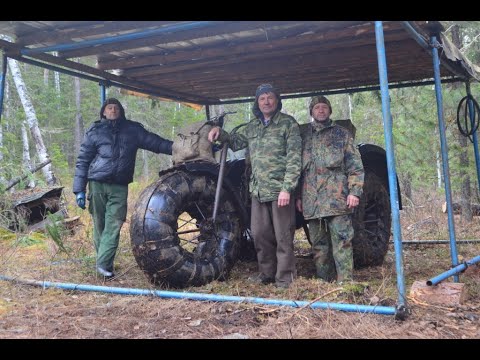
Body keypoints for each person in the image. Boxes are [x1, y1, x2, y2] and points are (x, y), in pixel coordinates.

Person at [208, 84, 302, 288]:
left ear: (276, 101)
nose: (266, 102)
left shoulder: (288, 124)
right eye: (262, 98)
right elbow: (234, 141)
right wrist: (218, 131)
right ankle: (267, 274)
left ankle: (285, 279)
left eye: (270, 98)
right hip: (258, 190)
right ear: (257, 102)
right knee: (260, 235)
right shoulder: (253, 126)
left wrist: (287, 188)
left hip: (280, 191)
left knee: (283, 237)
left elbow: (295, 159)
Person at [73, 98, 173, 279]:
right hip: (97, 183)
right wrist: (79, 189)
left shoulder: (132, 130)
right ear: (103, 112)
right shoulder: (94, 131)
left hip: (119, 186)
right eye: (109, 108)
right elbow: (83, 160)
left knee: (114, 224)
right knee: (100, 225)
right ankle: (105, 264)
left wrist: (179, 148)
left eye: (116, 108)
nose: (112, 111)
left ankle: (102, 264)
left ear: (121, 111)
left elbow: (155, 143)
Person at [296, 96, 364, 283]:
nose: (320, 110)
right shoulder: (303, 136)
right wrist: (298, 197)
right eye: (316, 107)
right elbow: (298, 170)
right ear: (311, 111)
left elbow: (355, 166)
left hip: (338, 199)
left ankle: (345, 283)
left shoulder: (341, 134)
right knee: (319, 246)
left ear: (330, 110)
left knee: (342, 242)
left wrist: (354, 192)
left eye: (324, 107)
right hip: (312, 200)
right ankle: (325, 283)